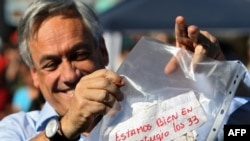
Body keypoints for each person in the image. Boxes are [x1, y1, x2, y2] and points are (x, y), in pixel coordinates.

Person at [0, 0, 246, 140]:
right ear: (34, 74)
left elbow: (240, 131)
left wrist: (221, 82)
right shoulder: (19, 129)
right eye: (51, 64)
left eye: (80, 55)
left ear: (103, 51)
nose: (70, 75)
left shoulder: (159, 110)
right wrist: (65, 128)